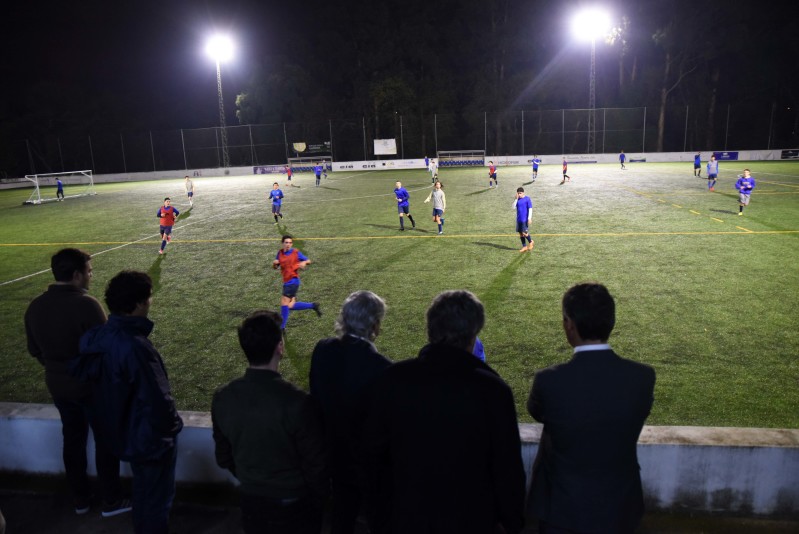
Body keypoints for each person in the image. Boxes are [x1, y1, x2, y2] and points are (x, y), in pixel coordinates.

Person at [361, 290, 526, 534]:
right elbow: (507, 469)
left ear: (431, 330)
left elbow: (372, 457)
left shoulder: (391, 380)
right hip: (471, 520)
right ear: (474, 334)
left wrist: (378, 516)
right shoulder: (493, 390)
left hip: (403, 518)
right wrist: (511, 522)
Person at [527, 282, 656, 534]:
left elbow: (539, 412)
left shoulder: (549, 380)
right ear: (611, 322)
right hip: (620, 505)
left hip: (561, 508)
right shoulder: (642, 377)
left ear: (569, 325)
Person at [75, 271, 184, 534]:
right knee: (155, 499)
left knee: (144, 493)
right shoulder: (135, 347)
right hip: (148, 438)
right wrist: (172, 429)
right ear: (137, 304)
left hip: (123, 431)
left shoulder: (98, 337)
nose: (150, 303)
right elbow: (157, 399)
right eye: (148, 298)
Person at [24, 248, 129, 517]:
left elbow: (34, 349)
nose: (91, 276)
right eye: (89, 271)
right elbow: (107, 347)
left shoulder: (36, 306)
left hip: (58, 385)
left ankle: (80, 499)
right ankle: (111, 500)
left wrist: (57, 368)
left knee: (72, 440)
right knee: (105, 440)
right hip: (91, 386)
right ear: (76, 275)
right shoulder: (86, 305)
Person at [213, 310, 329, 534]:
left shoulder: (223, 397)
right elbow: (316, 465)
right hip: (295, 502)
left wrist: (253, 479)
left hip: (251, 499)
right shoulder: (298, 402)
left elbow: (223, 456)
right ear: (280, 347)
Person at [309, 291, 393, 534]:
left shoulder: (323, 350)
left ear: (344, 319)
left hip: (332, 455)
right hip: (370, 465)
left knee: (342, 516)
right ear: (375, 325)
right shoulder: (383, 369)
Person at [272, 235, 321, 330]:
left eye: (290, 243)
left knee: (284, 303)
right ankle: (313, 305)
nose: (288, 244)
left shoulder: (295, 252)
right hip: (286, 281)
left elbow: (308, 260)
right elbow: (276, 266)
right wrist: (274, 264)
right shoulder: (280, 253)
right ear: (282, 243)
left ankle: (281, 328)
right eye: (286, 242)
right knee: (290, 305)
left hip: (293, 281)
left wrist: (304, 263)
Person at [512, 187, 534, 252]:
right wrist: (516, 199)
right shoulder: (517, 199)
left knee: (524, 233)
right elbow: (513, 207)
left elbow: (530, 208)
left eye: (520, 193)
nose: (519, 195)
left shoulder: (527, 199)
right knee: (520, 233)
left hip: (524, 219)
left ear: (523, 193)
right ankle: (524, 246)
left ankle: (531, 242)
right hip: (519, 219)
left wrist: (529, 218)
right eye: (518, 193)